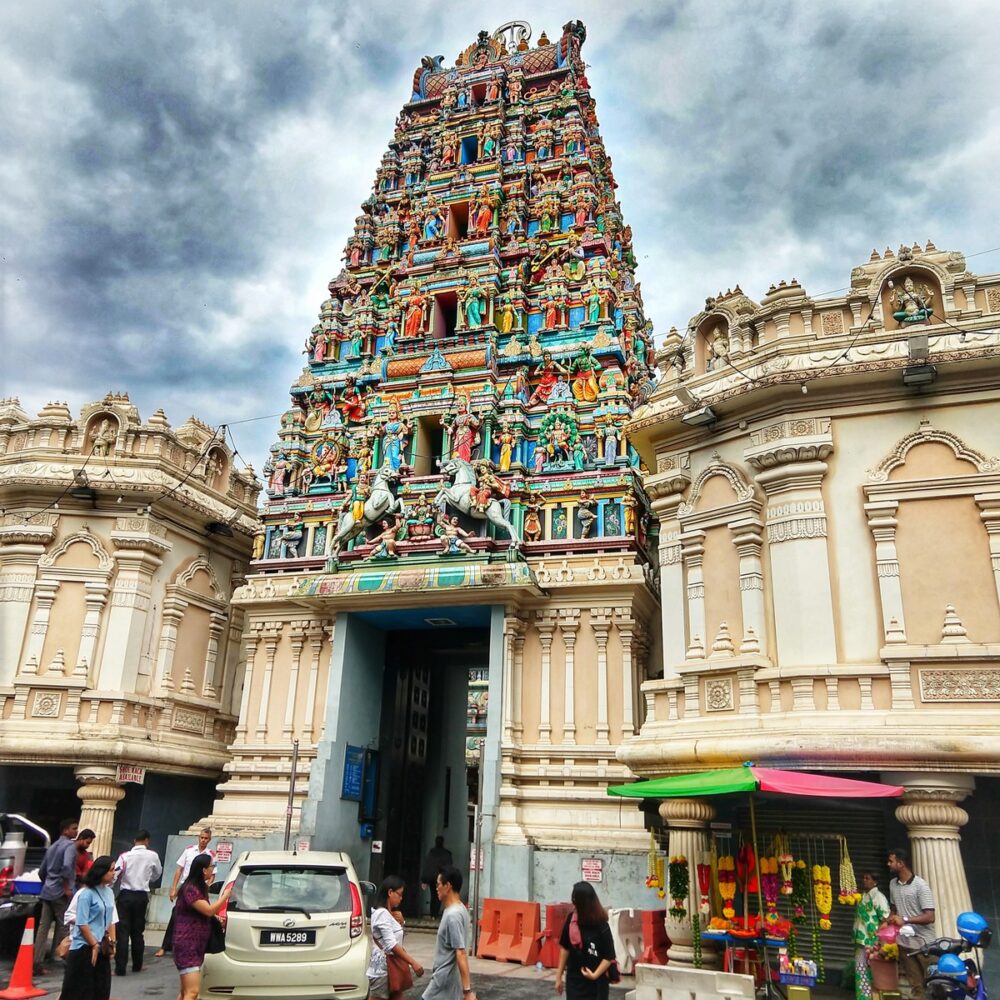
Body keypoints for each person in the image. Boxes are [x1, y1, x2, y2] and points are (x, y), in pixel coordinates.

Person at [173, 854, 232, 1000]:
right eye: (211, 866)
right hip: (187, 945)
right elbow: (208, 910)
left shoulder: (200, 888)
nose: (213, 870)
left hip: (196, 945)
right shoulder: (190, 889)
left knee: (185, 991)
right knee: (192, 992)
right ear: (203, 870)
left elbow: (204, 913)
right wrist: (225, 896)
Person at [60, 855, 117, 1000]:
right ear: (101, 872)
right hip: (84, 947)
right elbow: (81, 922)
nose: (114, 873)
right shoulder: (86, 894)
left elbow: (111, 920)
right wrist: (93, 945)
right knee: (79, 991)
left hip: (102, 947)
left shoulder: (109, 892)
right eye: (111, 870)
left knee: (101, 989)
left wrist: (112, 944)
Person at [155, 827, 214, 958]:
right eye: (201, 837)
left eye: (206, 838)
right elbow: (179, 869)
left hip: (200, 888)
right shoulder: (189, 851)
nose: (203, 840)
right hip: (187, 885)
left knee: (199, 917)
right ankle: (165, 946)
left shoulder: (210, 855)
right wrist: (174, 888)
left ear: (209, 840)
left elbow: (212, 875)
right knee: (176, 914)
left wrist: (206, 887)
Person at [887, 847, 936, 1000]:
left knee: (934, 984)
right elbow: (894, 908)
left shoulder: (920, 885)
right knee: (916, 987)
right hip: (905, 944)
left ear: (901, 863)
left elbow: (930, 916)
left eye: (891, 861)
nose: (888, 864)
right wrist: (888, 921)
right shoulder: (893, 884)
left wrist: (905, 919)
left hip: (924, 944)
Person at [113, 830, 163, 977]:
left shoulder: (125, 856)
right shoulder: (153, 855)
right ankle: (137, 965)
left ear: (134, 840)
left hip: (125, 895)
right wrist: (148, 878)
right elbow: (157, 873)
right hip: (141, 896)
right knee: (138, 932)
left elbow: (115, 874)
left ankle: (120, 968)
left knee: (122, 932)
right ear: (147, 840)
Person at [421, 866, 475, 1000]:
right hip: (449, 983)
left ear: (448, 886)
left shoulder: (453, 915)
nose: (436, 888)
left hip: (442, 983)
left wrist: (467, 991)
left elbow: (461, 952)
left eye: (438, 884)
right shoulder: (460, 909)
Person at [34, 816, 79, 976]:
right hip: (60, 891)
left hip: (48, 889)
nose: (76, 831)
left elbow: (42, 870)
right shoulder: (69, 847)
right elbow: (67, 866)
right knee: (65, 924)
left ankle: (37, 961)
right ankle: (63, 956)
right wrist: (67, 887)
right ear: (66, 830)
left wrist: (48, 882)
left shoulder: (52, 846)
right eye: (74, 828)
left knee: (43, 926)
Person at [555, 882, 616, 1000]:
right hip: (574, 981)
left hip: (597, 984)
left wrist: (594, 975)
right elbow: (565, 948)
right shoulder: (571, 920)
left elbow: (609, 956)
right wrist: (558, 977)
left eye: (575, 901)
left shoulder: (601, 925)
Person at [368, 876, 424, 1000]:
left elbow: (396, 938)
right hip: (382, 971)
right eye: (399, 894)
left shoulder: (388, 914)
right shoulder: (382, 914)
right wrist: (413, 962)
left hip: (391, 969)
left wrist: (401, 922)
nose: (401, 898)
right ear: (390, 892)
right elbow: (391, 945)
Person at [853, 871, 890, 1000]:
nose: (864, 880)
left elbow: (885, 919)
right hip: (860, 939)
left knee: (873, 970)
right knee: (860, 968)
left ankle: (873, 997)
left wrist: (877, 937)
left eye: (867, 878)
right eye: (863, 878)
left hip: (872, 941)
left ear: (875, 882)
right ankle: (863, 997)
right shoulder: (863, 896)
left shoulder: (878, 897)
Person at [420, 838, 454, 920]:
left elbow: (427, 866)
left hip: (432, 878)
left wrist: (424, 880)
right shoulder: (446, 853)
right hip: (440, 877)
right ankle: (435, 914)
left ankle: (433, 915)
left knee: (433, 895)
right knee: (438, 896)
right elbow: (448, 866)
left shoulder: (432, 853)